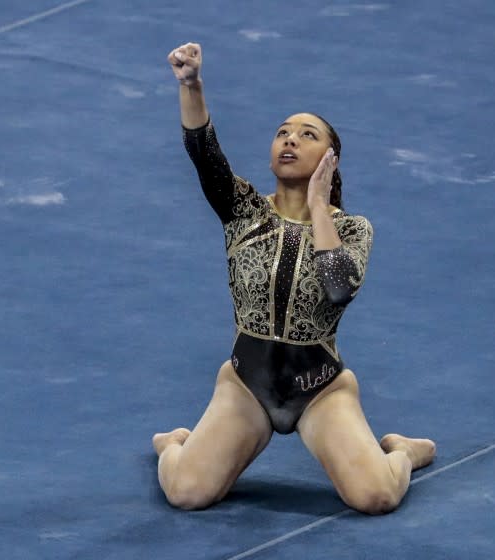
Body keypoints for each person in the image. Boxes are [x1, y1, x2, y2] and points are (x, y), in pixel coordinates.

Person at [152, 42, 436, 515]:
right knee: (186, 492)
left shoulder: (351, 229)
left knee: (376, 497)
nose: (290, 140)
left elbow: (338, 286)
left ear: (331, 159)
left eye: (307, 135)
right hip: (247, 383)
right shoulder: (243, 212)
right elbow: (205, 154)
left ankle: (404, 450)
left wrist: (320, 206)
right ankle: (173, 445)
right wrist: (191, 84)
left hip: (320, 387)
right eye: (283, 133)